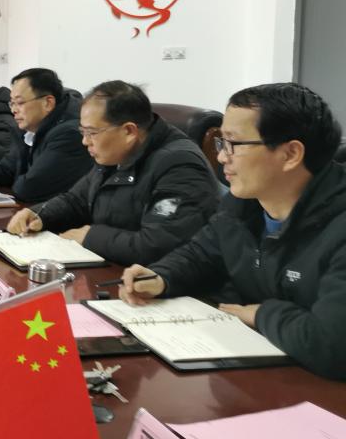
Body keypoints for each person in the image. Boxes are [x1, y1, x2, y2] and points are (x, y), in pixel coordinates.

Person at [120, 83, 346, 380]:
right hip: (265, 371)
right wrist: (162, 277)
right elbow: (202, 253)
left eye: (234, 144)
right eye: (221, 143)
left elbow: (332, 347)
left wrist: (261, 314)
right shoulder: (244, 203)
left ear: (291, 154)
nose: (222, 157)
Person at [7, 80, 219, 266]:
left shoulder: (180, 166)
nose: (85, 141)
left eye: (92, 133)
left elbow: (159, 245)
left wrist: (90, 237)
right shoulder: (114, 154)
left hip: (154, 285)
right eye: (83, 132)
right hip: (112, 266)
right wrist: (40, 215)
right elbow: (77, 200)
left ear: (129, 131)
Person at [8, 68, 92, 203]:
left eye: (20, 103)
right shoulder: (31, 129)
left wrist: (16, 178)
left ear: (48, 103)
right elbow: (8, 167)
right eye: (12, 103)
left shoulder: (69, 134)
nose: (13, 110)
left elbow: (29, 188)